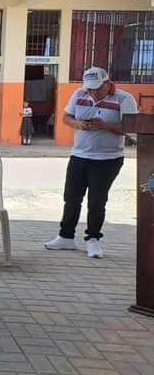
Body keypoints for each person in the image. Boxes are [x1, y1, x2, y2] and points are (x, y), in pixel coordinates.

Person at [45, 67, 138, 259]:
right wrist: (78, 125)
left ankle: (93, 239)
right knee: (71, 197)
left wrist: (104, 126)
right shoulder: (79, 94)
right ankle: (66, 236)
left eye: (97, 88)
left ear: (107, 83)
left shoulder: (124, 99)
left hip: (107, 158)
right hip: (79, 155)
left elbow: (131, 128)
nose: (93, 92)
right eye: (90, 89)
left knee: (97, 200)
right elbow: (66, 118)